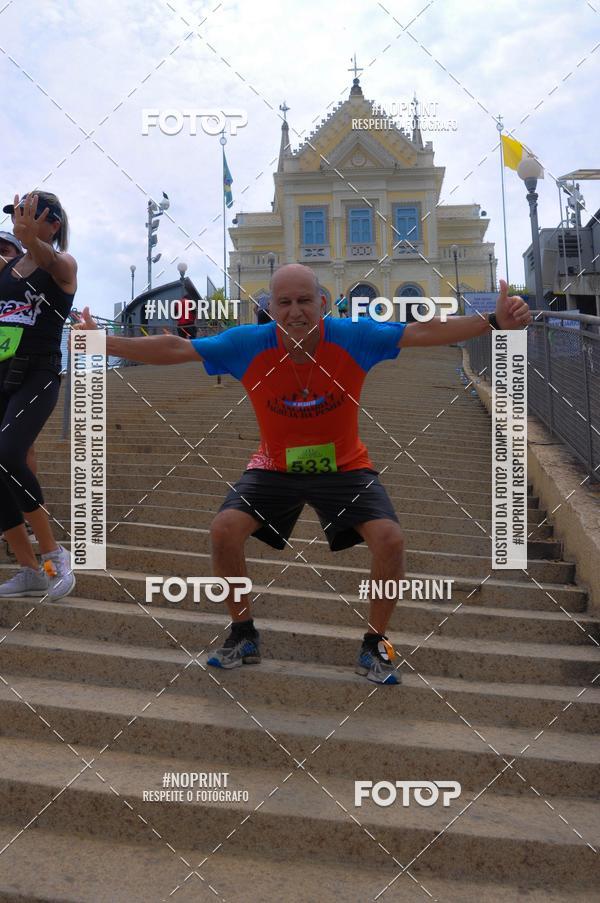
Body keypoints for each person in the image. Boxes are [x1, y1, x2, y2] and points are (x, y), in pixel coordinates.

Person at [76, 264, 531, 684]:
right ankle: (243, 633)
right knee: (223, 531)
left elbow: (420, 330)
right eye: (284, 303)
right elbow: (177, 346)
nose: (295, 312)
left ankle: (376, 644)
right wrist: (106, 342)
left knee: (390, 539)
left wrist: (491, 323)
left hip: (345, 466)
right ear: (270, 308)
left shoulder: (354, 336)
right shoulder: (247, 344)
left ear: (323, 304)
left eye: (304, 301)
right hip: (274, 466)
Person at [0, 192, 77, 600]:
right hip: (2, 371)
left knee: (9, 453)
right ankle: (29, 570)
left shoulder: (62, 266)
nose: (20, 219)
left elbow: (49, 260)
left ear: (54, 224)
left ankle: (52, 556)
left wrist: (30, 239)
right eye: (16, 212)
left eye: (31, 215)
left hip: (39, 372)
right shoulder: (8, 267)